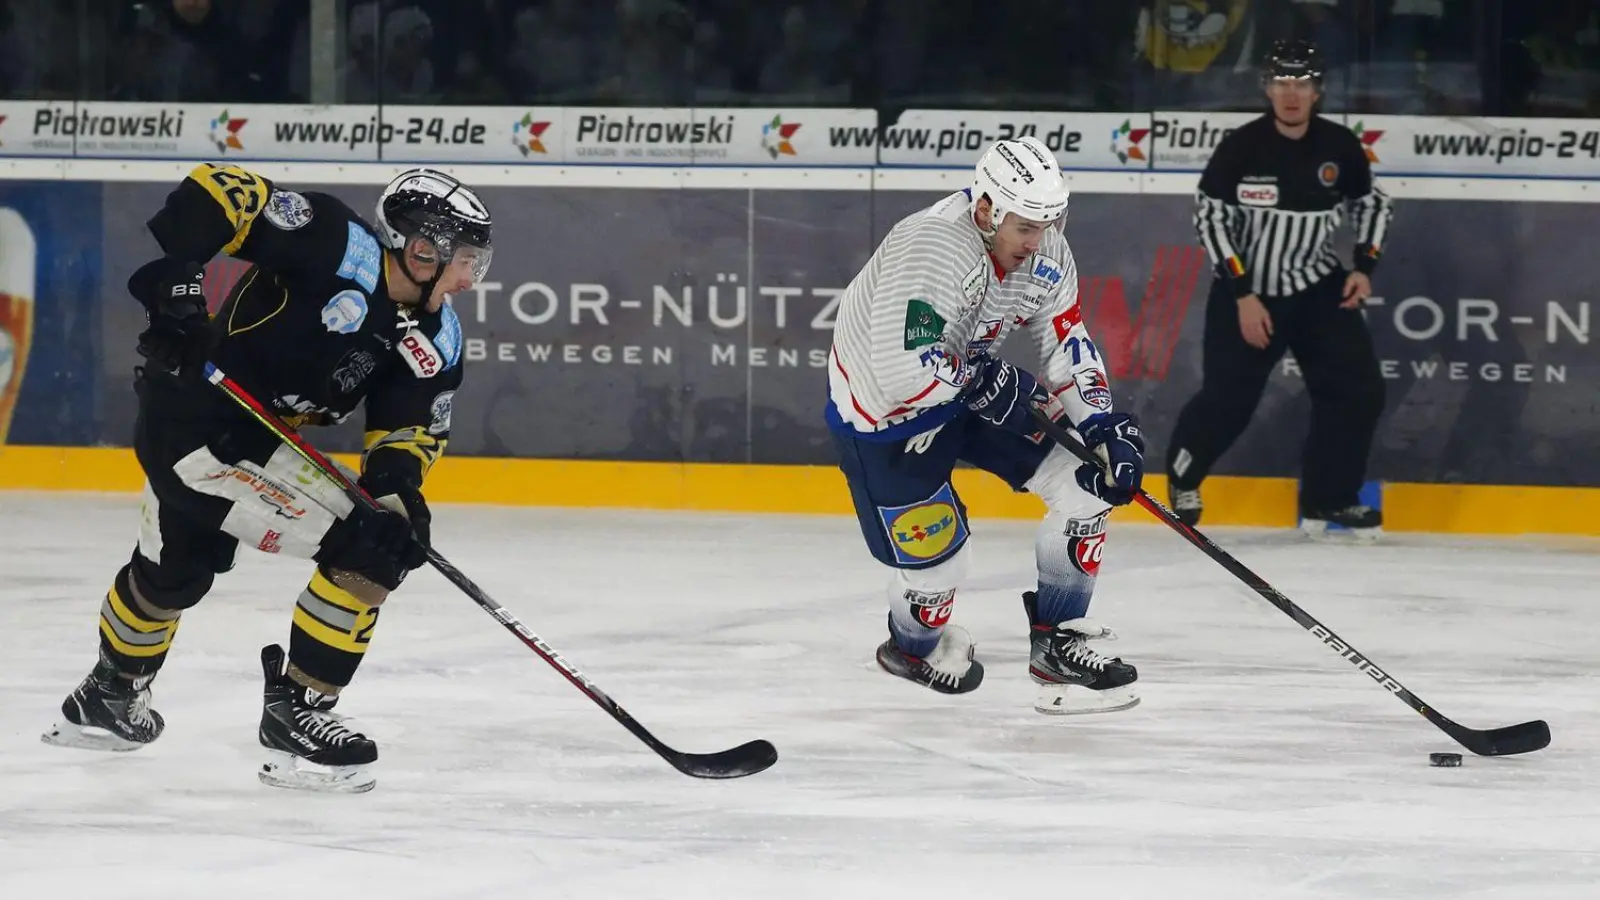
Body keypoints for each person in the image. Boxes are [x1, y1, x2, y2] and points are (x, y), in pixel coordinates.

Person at [41, 164, 492, 793]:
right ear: (419, 249)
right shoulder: (337, 242)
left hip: (254, 436)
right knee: (364, 549)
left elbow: (408, 430)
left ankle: (108, 695)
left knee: (177, 573)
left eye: (478, 262)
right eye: (462, 260)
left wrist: (397, 489)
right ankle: (297, 714)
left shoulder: (434, 334)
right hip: (200, 421)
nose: (470, 279)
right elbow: (223, 192)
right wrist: (178, 284)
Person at [826, 137, 1147, 716]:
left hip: (969, 387)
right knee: (941, 568)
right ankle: (912, 649)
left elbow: (1066, 337)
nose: (1039, 239)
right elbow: (901, 371)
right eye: (1026, 226)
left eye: (1050, 222)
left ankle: (1058, 643)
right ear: (985, 210)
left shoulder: (1045, 247)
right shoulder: (932, 247)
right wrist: (978, 382)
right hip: (890, 418)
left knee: (1086, 481)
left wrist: (1099, 423)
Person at [1165, 38, 1394, 539]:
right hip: (1246, 294)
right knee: (1229, 401)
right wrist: (1244, 295)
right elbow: (1212, 220)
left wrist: (1363, 267)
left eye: (1303, 84)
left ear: (1318, 91)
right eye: (1283, 83)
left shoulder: (1339, 146)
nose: (1292, 94)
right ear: (1267, 88)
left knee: (1358, 391)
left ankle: (1330, 498)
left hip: (1317, 289)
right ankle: (1183, 474)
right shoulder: (1242, 146)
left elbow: (1373, 206)